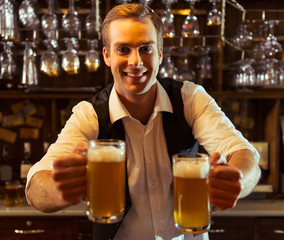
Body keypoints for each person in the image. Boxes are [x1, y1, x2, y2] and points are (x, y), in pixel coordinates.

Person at [26, 3, 261, 240]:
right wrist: (61, 189)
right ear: (107, 56)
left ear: (160, 53)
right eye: (123, 49)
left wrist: (237, 180)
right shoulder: (90, 115)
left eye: (146, 49)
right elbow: (36, 185)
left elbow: (243, 153)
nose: (135, 61)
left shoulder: (190, 99)